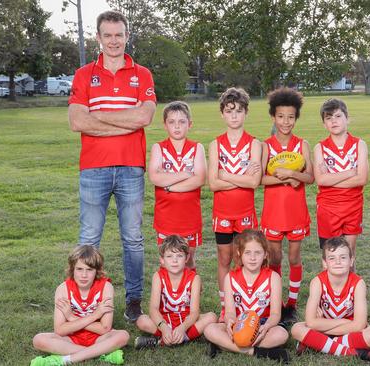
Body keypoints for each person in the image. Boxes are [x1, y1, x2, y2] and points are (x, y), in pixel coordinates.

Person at [68, 10, 157, 322]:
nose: (114, 40)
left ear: (126, 35)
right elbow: (77, 121)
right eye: (108, 35)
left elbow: (144, 117)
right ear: (99, 38)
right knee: (89, 236)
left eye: (119, 34)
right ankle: (84, 299)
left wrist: (99, 115)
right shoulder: (83, 75)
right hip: (94, 168)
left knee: (132, 237)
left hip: (131, 166)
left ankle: (134, 300)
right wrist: (125, 121)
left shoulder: (142, 74)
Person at [259, 87, 314, 324]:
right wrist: (284, 177)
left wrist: (294, 174)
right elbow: (260, 179)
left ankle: (291, 303)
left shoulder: (302, 145)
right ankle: (276, 301)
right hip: (273, 213)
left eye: (291, 117)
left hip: (295, 212)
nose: (286, 122)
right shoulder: (265, 146)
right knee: (274, 258)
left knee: (293, 257)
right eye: (281, 116)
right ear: (273, 116)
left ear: (296, 118)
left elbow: (310, 177)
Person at [207, 88, 262, 316]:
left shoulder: (254, 144)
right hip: (222, 212)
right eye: (229, 111)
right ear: (222, 114)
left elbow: (254, 183)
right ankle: (224, 308)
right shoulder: (215, 145)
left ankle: (245, 306)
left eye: (239, 111)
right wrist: (242, 178)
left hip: (245, 212)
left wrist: (225, 175)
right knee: (225, 258)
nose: (234, 116)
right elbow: (212, 184)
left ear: (246, 113)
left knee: (245, 259)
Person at [31, 246, 129, 366]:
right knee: (39, 340)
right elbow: (60, 330)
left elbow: (104, 329)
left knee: (123, 336)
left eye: (89, 270)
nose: (84, 275)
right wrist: (95, 316)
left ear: (97, 271)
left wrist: (72, 318)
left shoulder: (106, 287)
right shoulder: (63, 289)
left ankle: (65, 360)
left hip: (98, 338)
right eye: (79, 269)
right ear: (72, 269)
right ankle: (101, 354)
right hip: (71, 338)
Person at [290, 237, 370, 364]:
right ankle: (355, 352)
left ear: (351, 261)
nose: (338, 262)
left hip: (337, 329)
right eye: (332, 258)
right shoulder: (317, 282)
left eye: (343, 257)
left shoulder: (358, 283)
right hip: (345, 326)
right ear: (325, 263)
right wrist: (343, 321)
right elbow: (310, 322)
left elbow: (359, 324)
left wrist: (320, 328)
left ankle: (317, 343)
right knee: (296, 328)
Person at [203, 230, 290, 362]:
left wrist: (266, 327)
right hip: (239, 323)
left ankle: (224, 345)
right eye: (248, 253)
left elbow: (275, 314)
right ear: (239, 253)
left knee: (282, 334)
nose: (253, 258)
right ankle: (257, 352)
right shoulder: (230, 278)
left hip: (262, 324)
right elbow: (230, 312)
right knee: (210, 329)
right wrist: (230, 321)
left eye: (258, 253)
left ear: (265, 254)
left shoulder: (273, 277)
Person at [147, 102, 206, 271]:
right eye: (172, 122)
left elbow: (200, 178)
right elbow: (154, 177)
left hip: (189, 218)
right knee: (166, 263)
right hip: (166, 218)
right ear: (165, 125)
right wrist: (185, 174)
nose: (177, 126)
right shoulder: (159, 148)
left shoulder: (197, 148)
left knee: (187, 261)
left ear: (190, 124)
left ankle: (191, 296)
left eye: (182, 121)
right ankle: (168, 298)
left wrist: (169, 186)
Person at [134, 235, 216, 348]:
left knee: (211, 317)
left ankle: (163, 341)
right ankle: (173, 337)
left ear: (187, 258)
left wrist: (183, 327)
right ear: (162, 260)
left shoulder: (194, 278)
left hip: (186, 321)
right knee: (141, 320)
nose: (174, 260)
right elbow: (153, 309)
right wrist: (164, 327)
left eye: (179, 256)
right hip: (164, 319)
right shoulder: (158, 276)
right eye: (169, 256)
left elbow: (194, 312)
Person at [313, 98, 369, 254]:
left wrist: (331, 179)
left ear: (347, 119)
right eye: (328, 118)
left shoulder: (359, 144)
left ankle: (351, 279)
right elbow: (321, 180)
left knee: (349, 253)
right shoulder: (320, 147)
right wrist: (351, 172)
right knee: (330, 254)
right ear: (324, 124)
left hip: (353, 206)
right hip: (328, 208)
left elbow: (362, 179)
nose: (333, 121)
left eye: (338, 116)